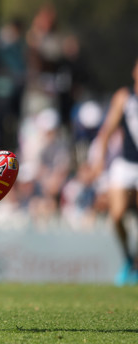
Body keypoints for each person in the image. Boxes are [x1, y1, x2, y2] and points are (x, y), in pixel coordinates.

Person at [92, 57, 138, 286]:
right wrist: (100, 158)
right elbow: (108, 128)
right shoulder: (124, 96)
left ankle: (135, 263)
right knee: (117, 215)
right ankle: (128, 259)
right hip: (126, 163)